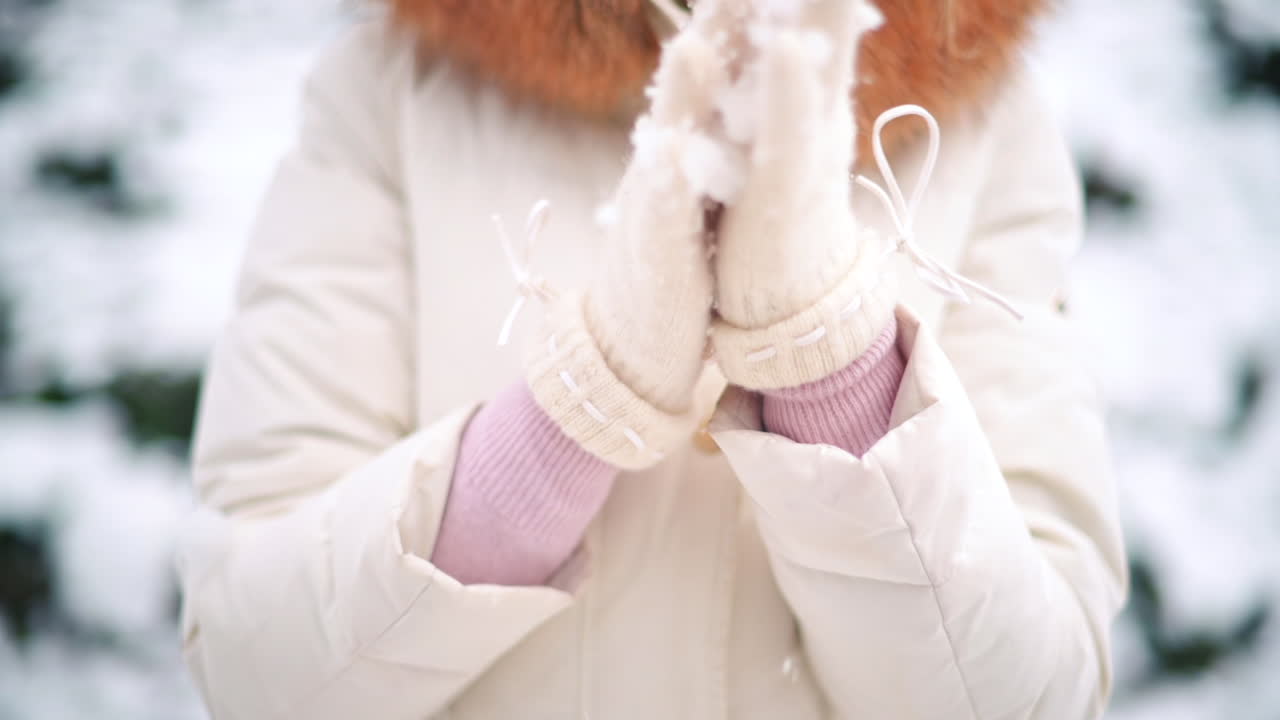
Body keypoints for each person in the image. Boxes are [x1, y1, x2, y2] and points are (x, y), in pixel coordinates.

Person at [177, 0, 1127, 717]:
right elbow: (256, 671)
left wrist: (830, 366)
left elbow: (1035, 694)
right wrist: (573, 417)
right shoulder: (393, 86)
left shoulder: (981, 111)